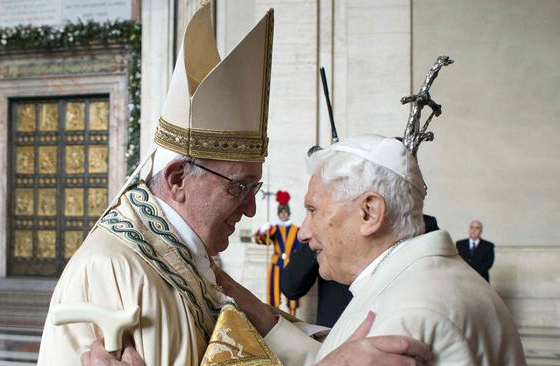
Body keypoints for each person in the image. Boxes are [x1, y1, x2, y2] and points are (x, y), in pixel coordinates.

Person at [41, 5, 430, 366]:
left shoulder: (190, 259)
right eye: (239, 187)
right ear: (177, 179)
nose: (249, 209)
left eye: (253, 189)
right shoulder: (110, 268)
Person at [215, 135, 525, 365]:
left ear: (369, 213)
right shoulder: (416, 279)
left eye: (313, 210)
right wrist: (254, 310)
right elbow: (340, 356)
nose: (304, 233)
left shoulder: (409, 314)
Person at [280, 239, 353, 327]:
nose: (301, 235)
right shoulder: (321, 235)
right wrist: (318, 239)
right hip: (331, 332)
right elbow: (290, 287)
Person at [254, 190, 304, 316]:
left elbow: (300, 248)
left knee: (292, 291)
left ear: (288, 213)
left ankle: (293, 317)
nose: (283, 214)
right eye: (281, 212)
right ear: (278, 214)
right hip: (276, 264)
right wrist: (263, 231)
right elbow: (262, 241)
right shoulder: (274, 229)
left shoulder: (296, 230)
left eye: (285, 212)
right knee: (273, 293)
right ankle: (276, 318)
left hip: (291, 264)